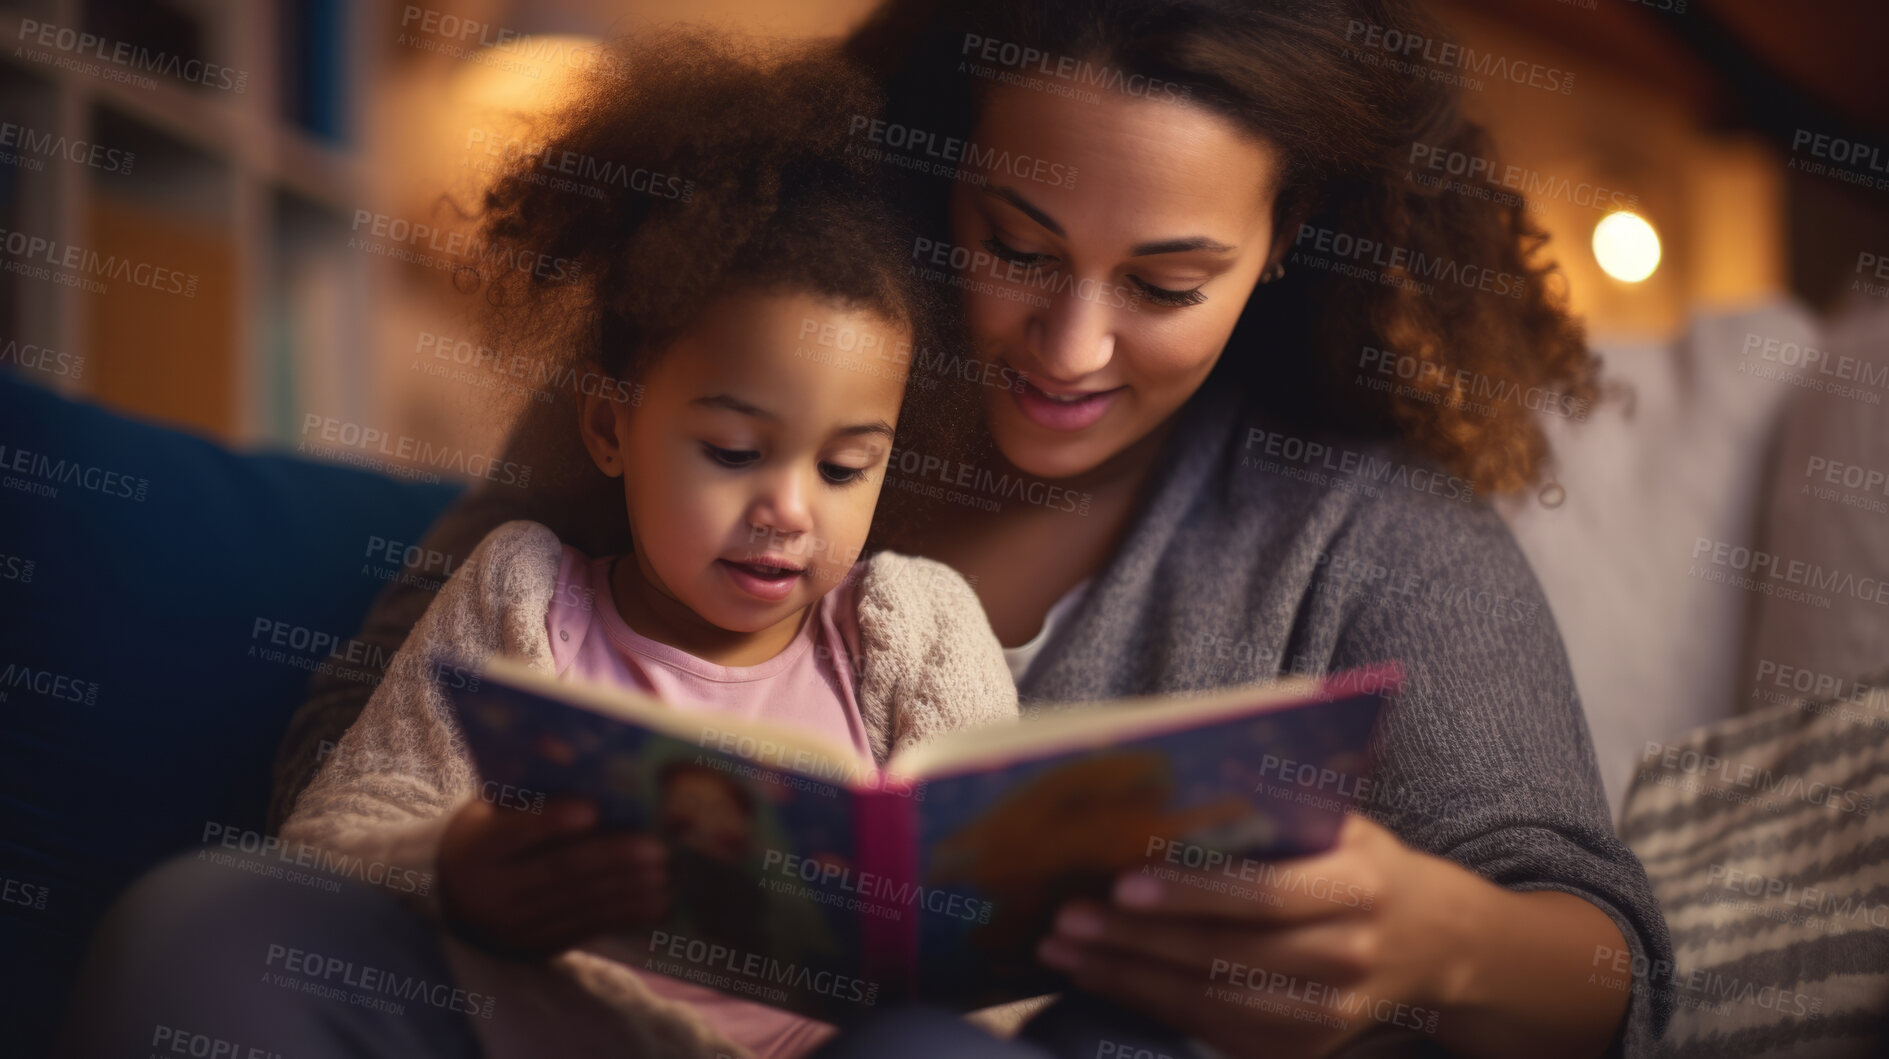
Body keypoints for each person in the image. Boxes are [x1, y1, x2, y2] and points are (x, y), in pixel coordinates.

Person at [269, 1, 1674, 1056]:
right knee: (213, 920)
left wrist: (1438, 936)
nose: (1069, 347)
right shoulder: (726, 360)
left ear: (1288, 232)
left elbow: (1615, 963)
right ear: (939, 165)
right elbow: (347, 743)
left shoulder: (1366, 535)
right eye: (1016, 244)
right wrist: (475, 867)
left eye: (1167, 282)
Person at [67, 32, 1021, 1059]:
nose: (788, 508)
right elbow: (335, 837)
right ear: (610, 426)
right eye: (734, 450)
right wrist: (455, 869)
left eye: (844, 468)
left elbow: (1000, 928)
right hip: (535, 1035)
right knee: (204, 920)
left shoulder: (909, 627)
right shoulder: (523, 593)